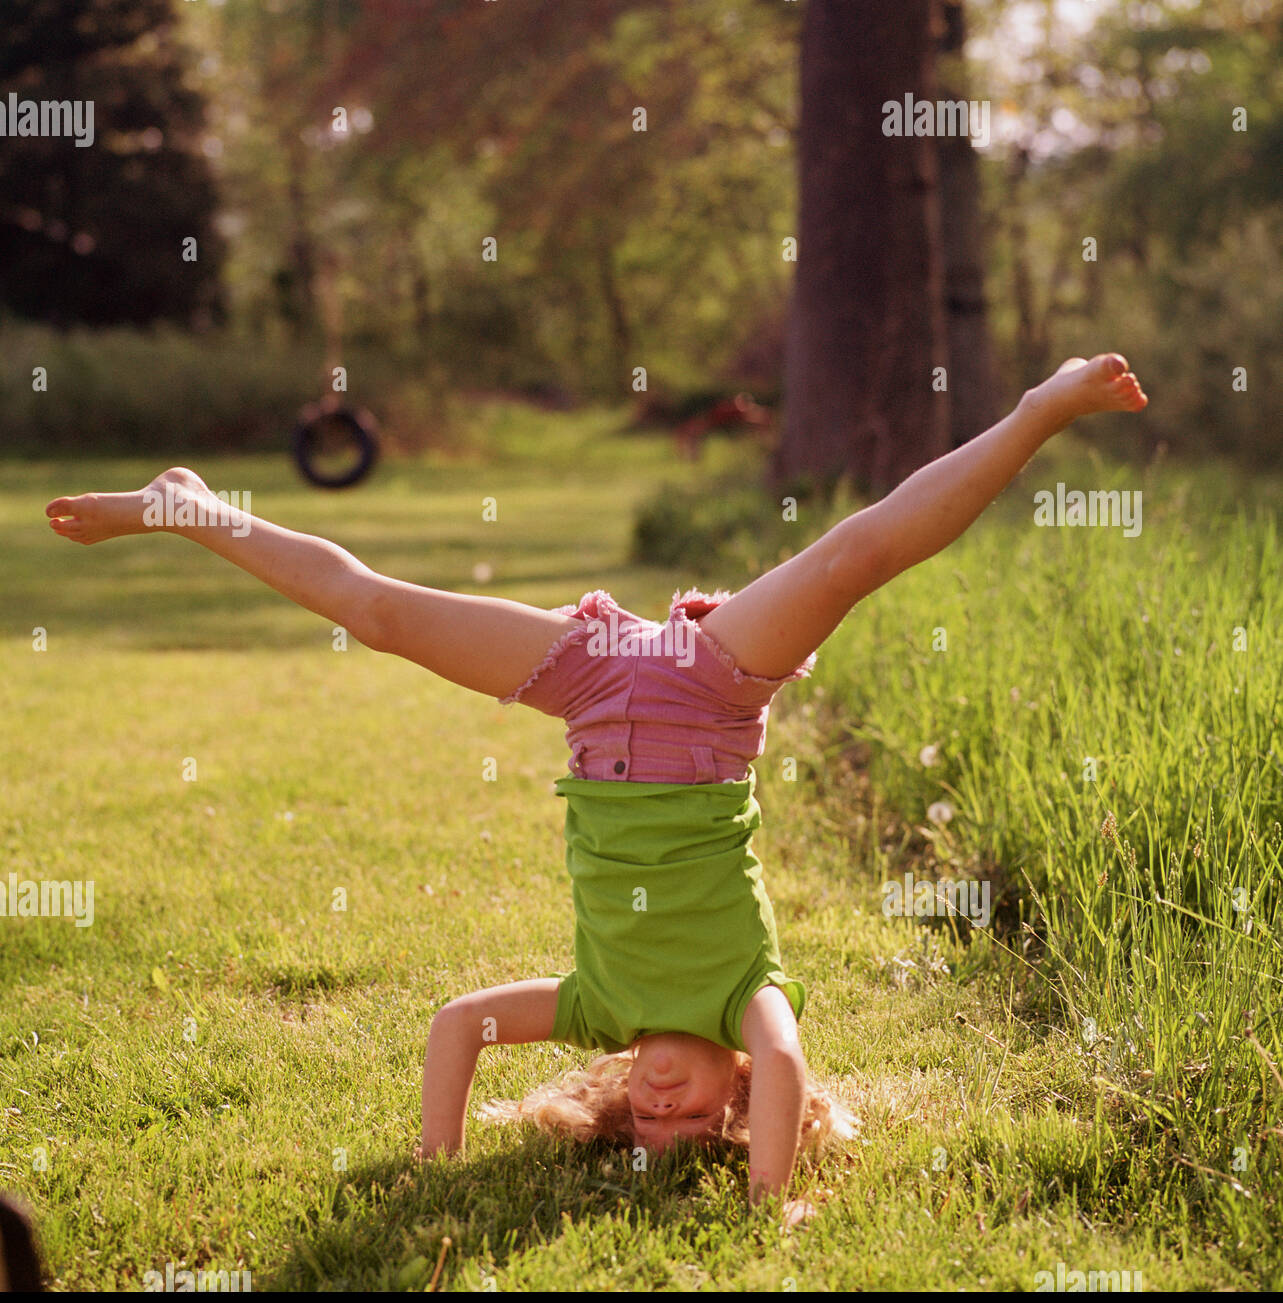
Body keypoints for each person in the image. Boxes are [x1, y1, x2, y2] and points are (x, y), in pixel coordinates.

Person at [45, 355, 1148, 1220]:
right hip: (715, 690)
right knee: (852, 556)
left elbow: (461, 1022)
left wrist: (437, 1165)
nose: (664, 1110)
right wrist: (767, 1202)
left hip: (586, 692)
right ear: (739, 1097)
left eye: (642, 1122)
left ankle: (186, 506)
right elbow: (786, 1059)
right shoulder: (744, 1008)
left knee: (374, 615)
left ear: (618, 1083)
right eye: (700, 1119)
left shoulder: (603, 1008)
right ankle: (1037, 413)